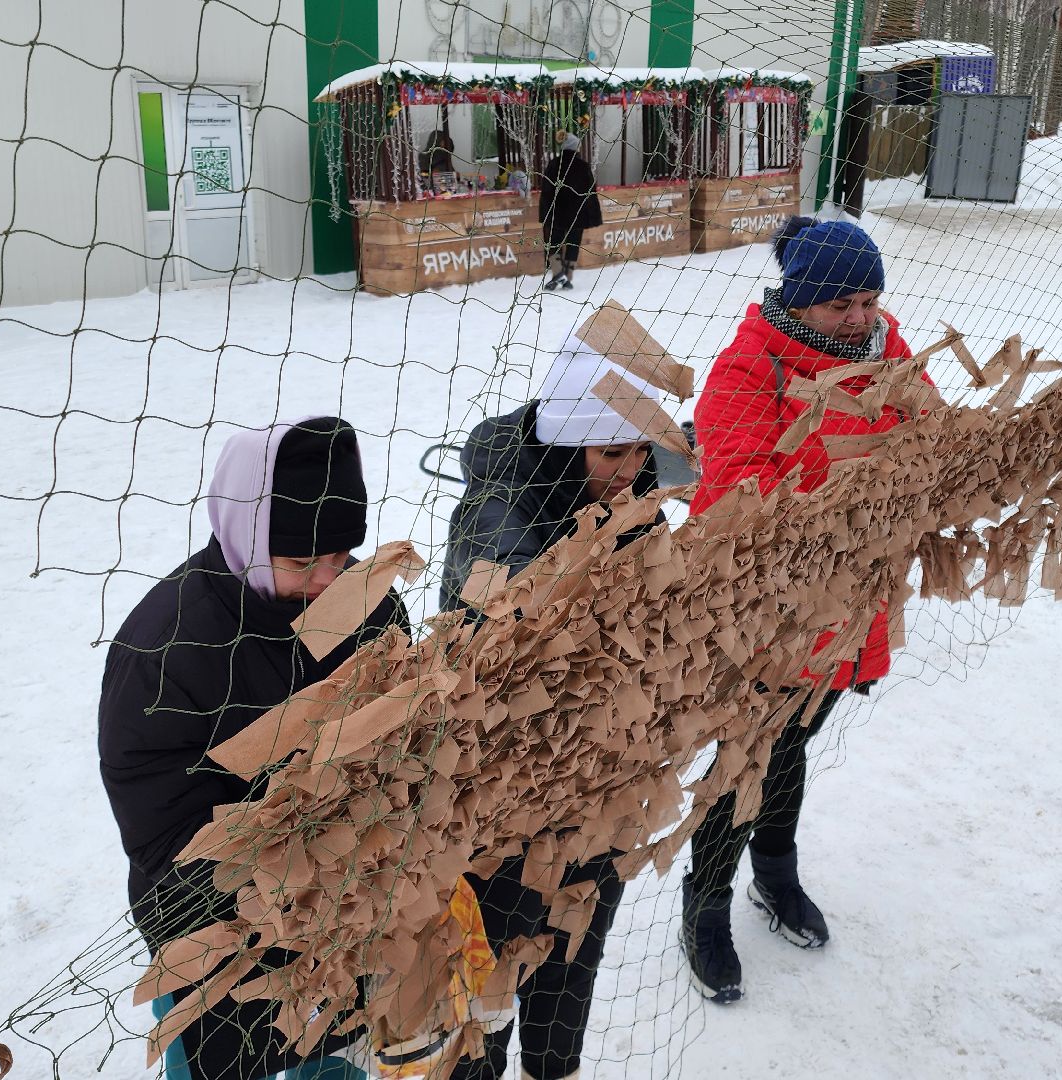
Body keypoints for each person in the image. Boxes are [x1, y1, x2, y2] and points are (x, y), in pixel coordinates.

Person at [99, 417, 407, 1080]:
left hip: (347, 927)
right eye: (302, 561)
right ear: (247, 535)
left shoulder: (369, 608)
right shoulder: (164, 651)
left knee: (336, 1062)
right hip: (221, 944)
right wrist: (295, 869)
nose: (330, 578)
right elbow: (163, 839)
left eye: (341, 555)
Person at [680, 216, 929, 1005]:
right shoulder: (747, 370)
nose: (860, 316)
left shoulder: (885, 347)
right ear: (799, 301)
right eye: (839, 305)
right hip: (769, 613)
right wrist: (859, 503)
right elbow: (743, 495)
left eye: (869, 298)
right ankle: (706, 902)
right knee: (747, 755)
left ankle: (775, 875)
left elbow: (930, 428)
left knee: (792, 745)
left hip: (849, 608)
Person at [433, 330, 667, 1080]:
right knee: (495, 971)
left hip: (600, 783)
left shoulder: (627, 493)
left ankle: (556, 1067)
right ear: (570, 447)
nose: (630, 471)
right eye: (612, 455)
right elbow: (510, 652)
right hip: (507, 807)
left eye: (642, 451)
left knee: (575, 947)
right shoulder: (500, 518)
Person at [538, 131, 602, 292]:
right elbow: (591, 192)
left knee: (554, 243)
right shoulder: (583, 166)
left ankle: (558, 274)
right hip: (577, 215)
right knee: (574, 244)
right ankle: (568, 277)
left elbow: (546, 191)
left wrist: (545, 213)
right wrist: (592, 215)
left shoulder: (554, 164)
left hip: (557, 214)